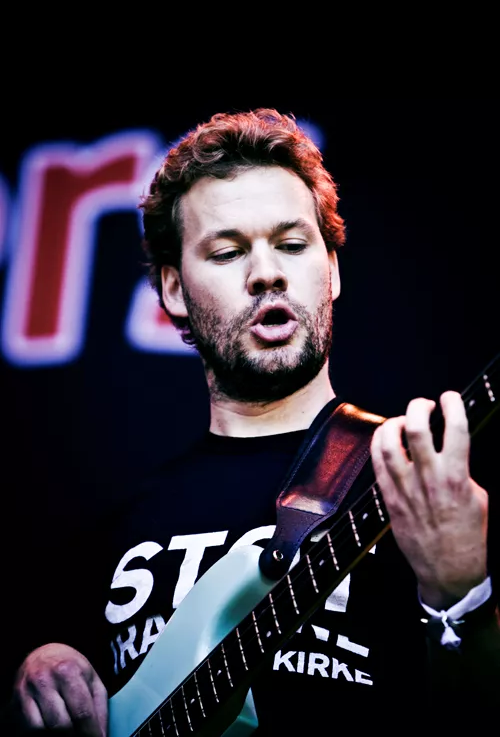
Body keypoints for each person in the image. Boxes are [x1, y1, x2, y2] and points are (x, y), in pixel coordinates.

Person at [7, 108, 500, 736]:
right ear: (174, 291)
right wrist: (42, 672)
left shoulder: (430, 483)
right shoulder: (112, 528)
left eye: (292, 245)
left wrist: (461, 597)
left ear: (332, 271)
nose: (267, 272)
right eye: (228, 251)